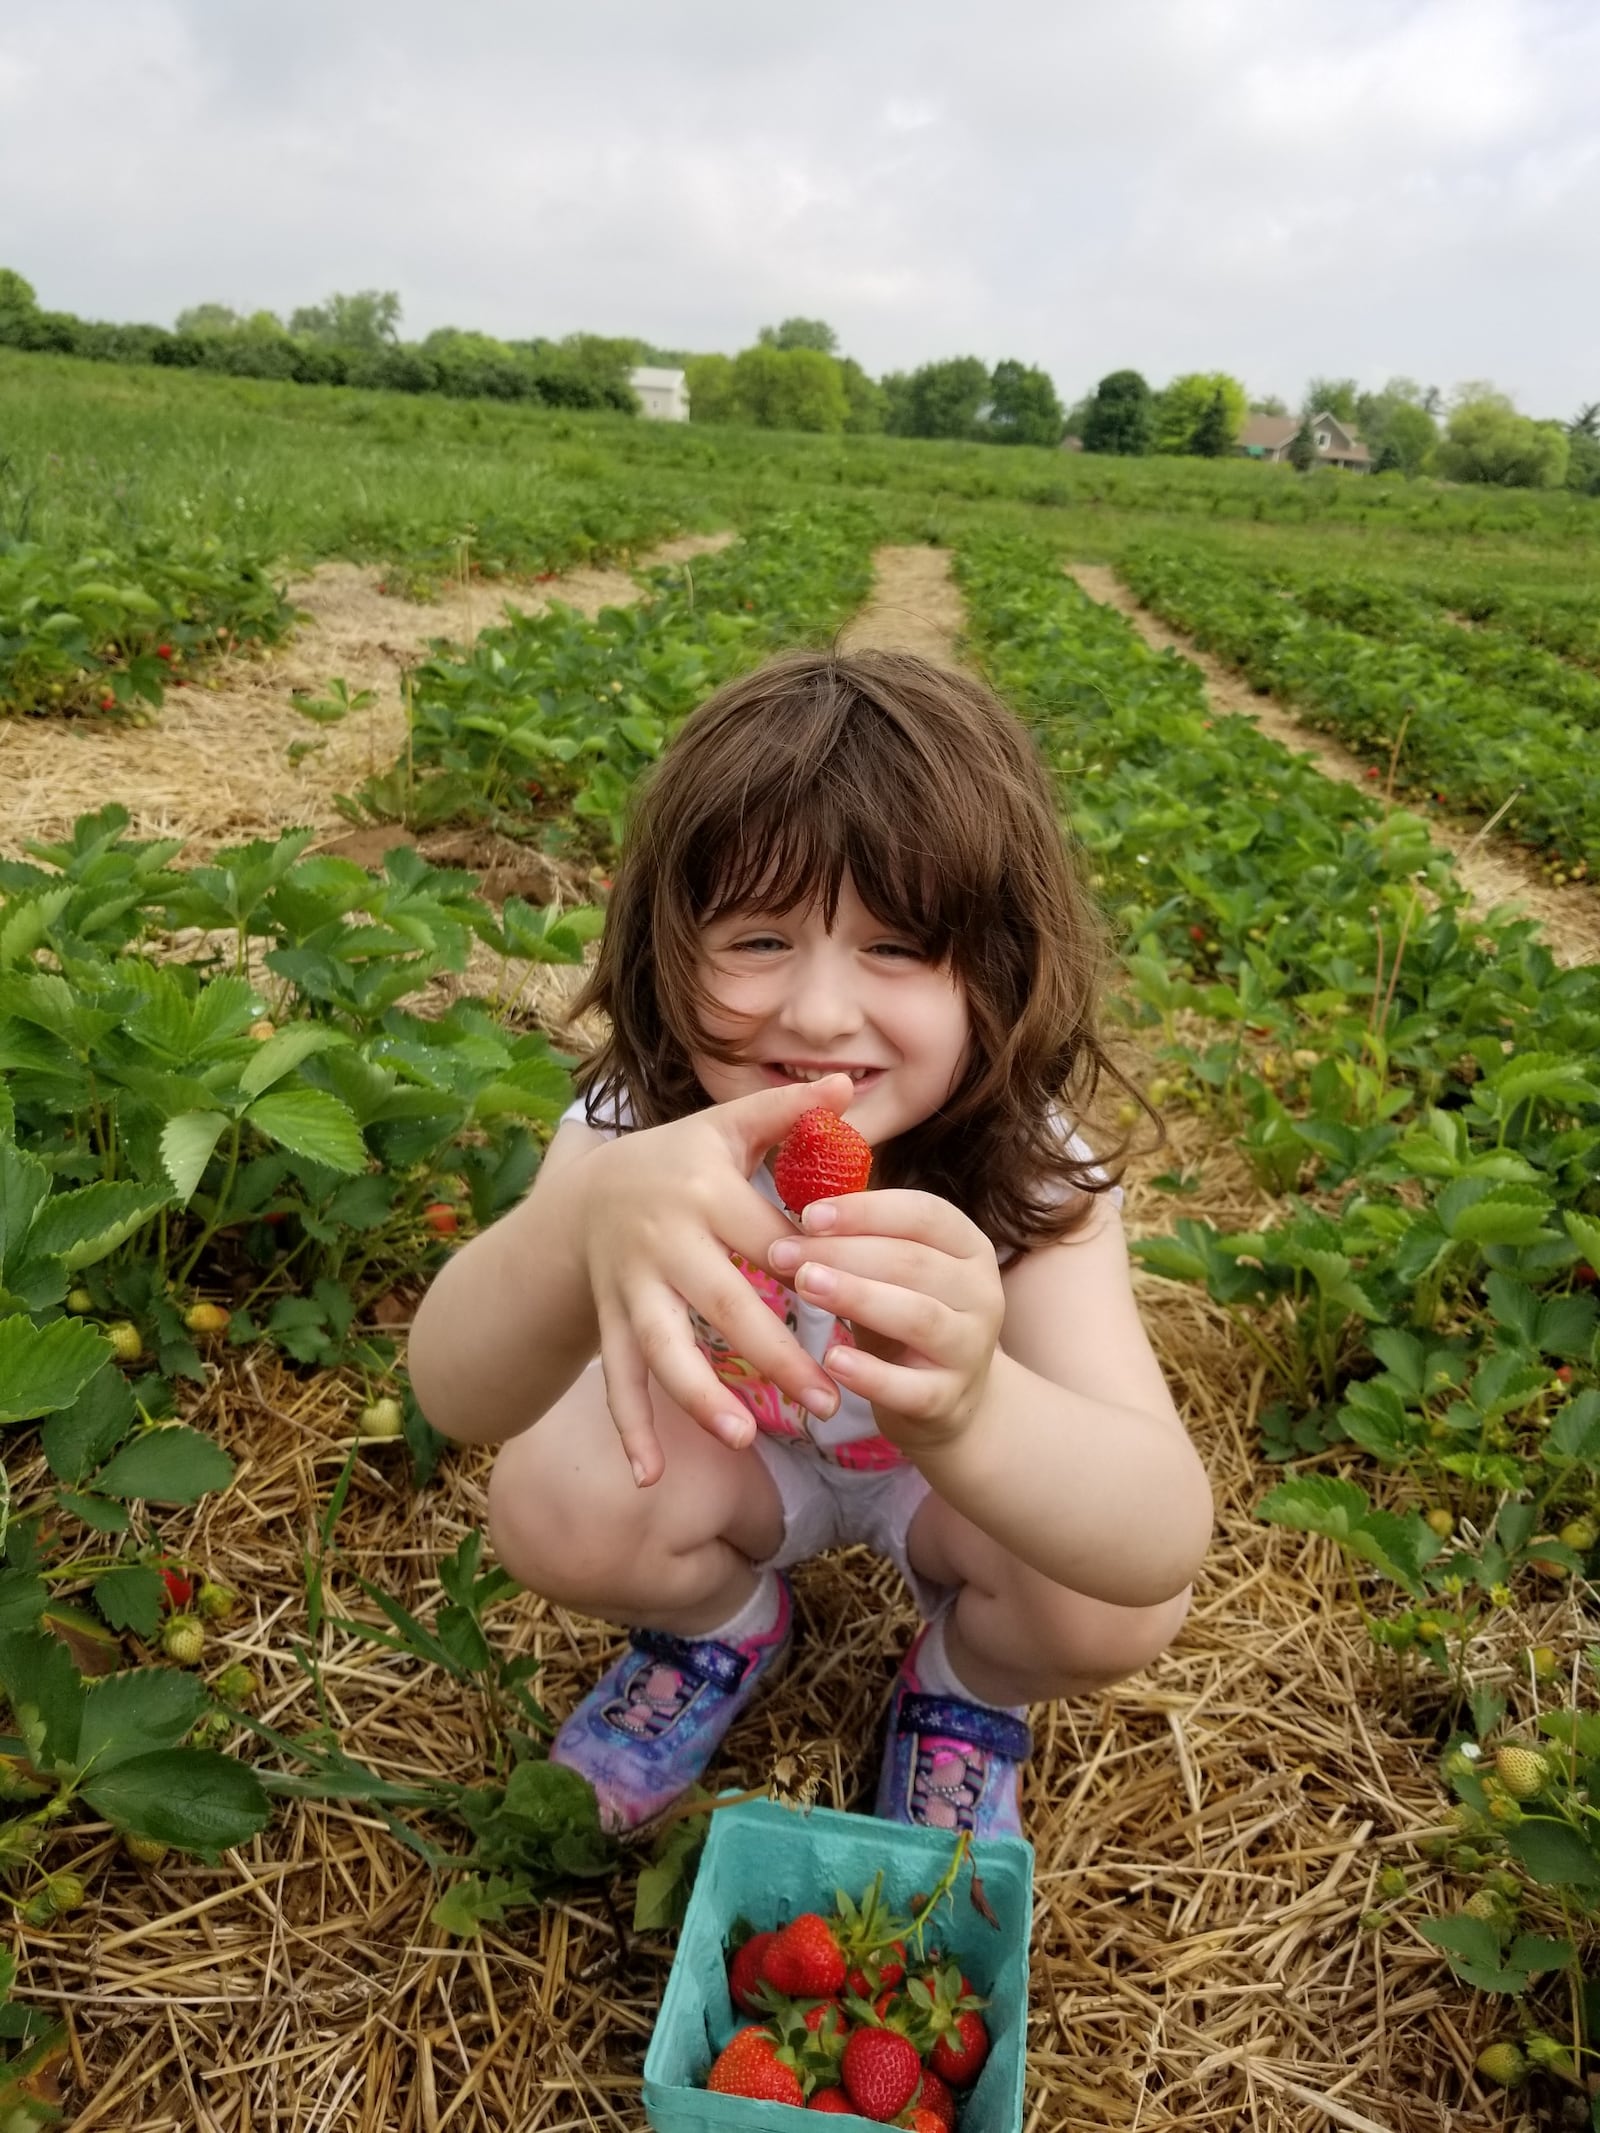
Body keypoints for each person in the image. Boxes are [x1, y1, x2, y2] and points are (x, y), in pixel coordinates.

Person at [408, 648, 1212, 1841]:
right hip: (738, 1456)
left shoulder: (1026, 1173)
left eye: (895, 948)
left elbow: (1159, 1533)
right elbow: (456, 1392)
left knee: (1103, 1607)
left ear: (999, 973)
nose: (821, 1013)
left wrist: (974, 1411)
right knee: (552, 1501)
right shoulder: (637, 1131)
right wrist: (585, 1218)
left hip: (945, 1489)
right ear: (664, 950)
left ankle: (964, 1688)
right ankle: (726, 1625)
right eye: (756, 939)